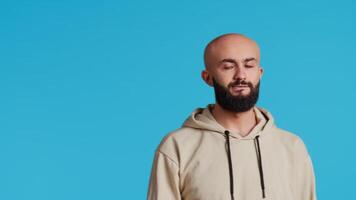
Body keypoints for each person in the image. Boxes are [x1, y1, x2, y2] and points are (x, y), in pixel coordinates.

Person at [147, 33, 317, 200]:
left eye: (249, 65)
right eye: (228, 67)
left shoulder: (292, 147)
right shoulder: (177, 147)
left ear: (260, 73)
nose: (241, 75)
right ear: (207, 78)